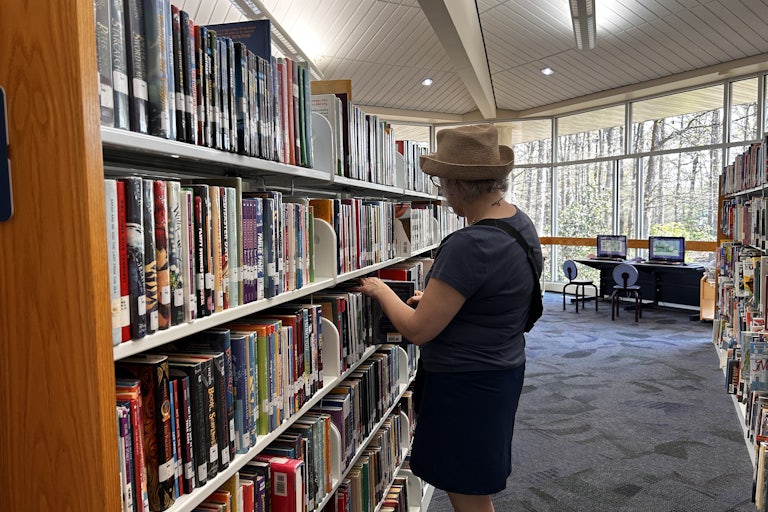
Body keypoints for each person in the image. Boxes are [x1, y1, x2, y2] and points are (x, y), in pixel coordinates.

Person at [352, 124, 542, 512]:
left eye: (442, 184)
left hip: (465, 383)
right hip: (501, 370)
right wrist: (442, 300)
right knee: (473, 482)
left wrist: (381, 290)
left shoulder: (470, 244)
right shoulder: (520, 224)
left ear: (458, 185)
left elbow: (418, 330)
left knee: (465, 490)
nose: (443, 193)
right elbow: (501, 296)